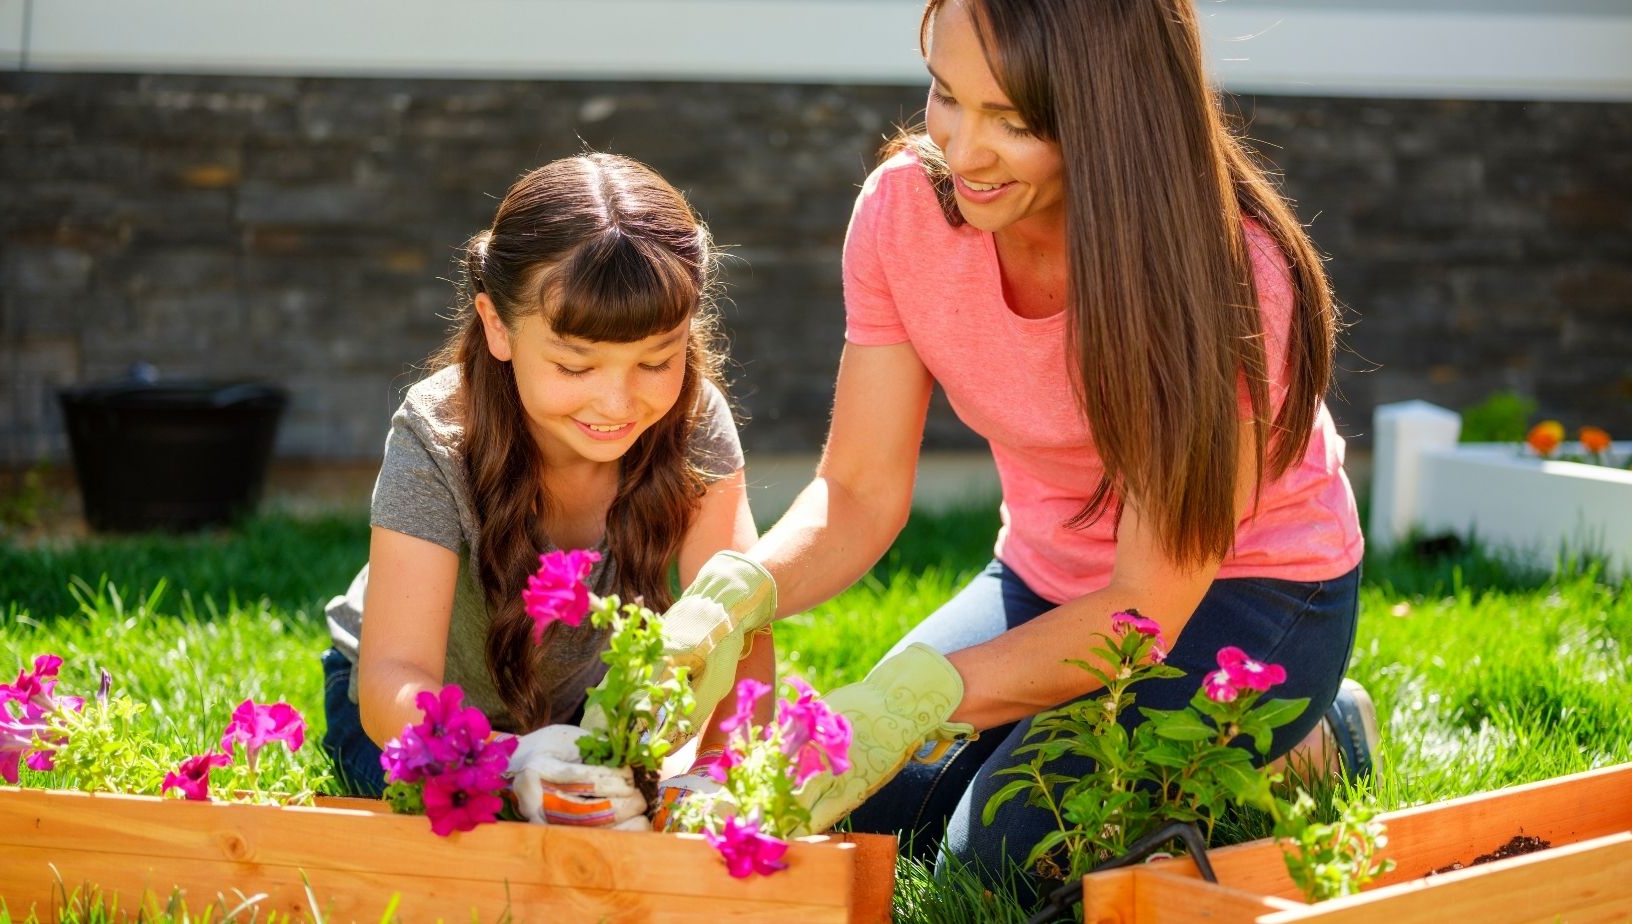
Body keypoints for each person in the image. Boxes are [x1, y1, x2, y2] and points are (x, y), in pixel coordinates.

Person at [655, 0, 1374, 882]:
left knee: (990, 857)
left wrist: (914, 699)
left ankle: (1317, 736)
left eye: (1014, 122)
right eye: (945, 94)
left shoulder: (1222, 276)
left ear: (1112, 119)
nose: (961, 152)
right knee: (866, 823)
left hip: (1247, 596)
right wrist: (745, 589)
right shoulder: (905, 215)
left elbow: (1140, 611)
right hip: (1045, 576)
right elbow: (858, 490)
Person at [319, 153, 772, 827]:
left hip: (582, 722)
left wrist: (713, 780)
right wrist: (508, 762)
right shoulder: (437, 434)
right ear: (498, 327)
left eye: (656, 360)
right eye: (574, 363)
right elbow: (392, 683)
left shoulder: (693, 419)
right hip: (407, 725)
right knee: (492, 835)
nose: (617, 401)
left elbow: (744, 640)